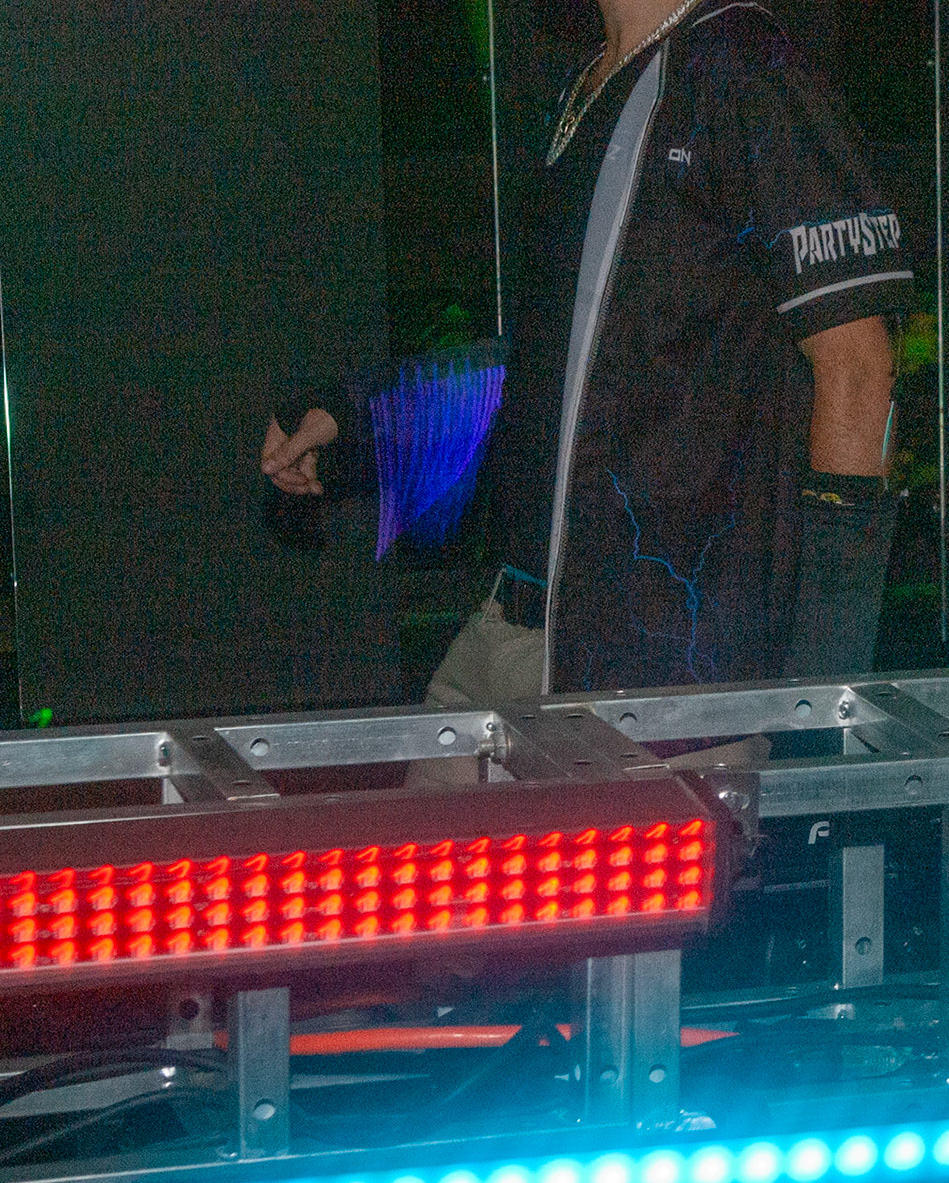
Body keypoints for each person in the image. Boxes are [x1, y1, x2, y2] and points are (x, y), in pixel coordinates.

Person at [263, 0, 910, 704]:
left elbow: (858, 366)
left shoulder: (743, 65)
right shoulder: (591, 84)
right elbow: (562, 363)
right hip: (522, 624)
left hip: (658, 674)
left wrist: (821, 693)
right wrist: (357, 415)